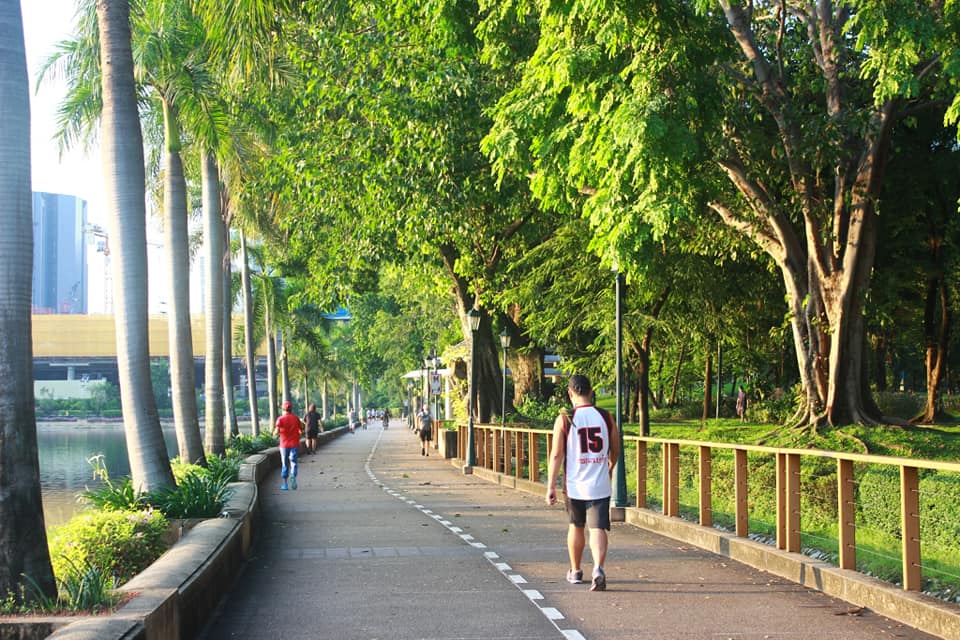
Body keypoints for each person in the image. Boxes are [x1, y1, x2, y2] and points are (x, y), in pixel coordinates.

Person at [545, 374, 620, 592]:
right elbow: (615, 449)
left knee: (576, 526)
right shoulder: (606, 417)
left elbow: (556, 455)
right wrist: (610, 466)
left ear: (570, 393)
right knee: (597, 528)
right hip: (599, 483)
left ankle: (576, 571)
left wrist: (550, 486)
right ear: (591, 391)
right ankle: (598, 568)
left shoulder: (565, 418)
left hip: (574, 483)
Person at [274, 400, 303, 490]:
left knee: (285, 464)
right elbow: (301, 430)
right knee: (293, 462)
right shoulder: (296, 418)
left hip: (284, 445)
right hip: (294, 444)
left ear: (283, 409)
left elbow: (276, 432)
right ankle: (293, 475)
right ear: (291, 409)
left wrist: (276, 433)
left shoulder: (280, 419)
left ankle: (285, 484)